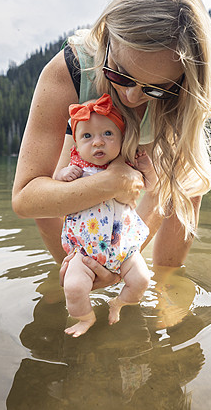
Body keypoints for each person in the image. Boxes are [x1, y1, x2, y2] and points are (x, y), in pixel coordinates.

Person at [11, 0, 211, 296]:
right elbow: (28, 198)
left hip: (152, 155)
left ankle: (167, 288)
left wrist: (120, 257)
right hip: (91, 127)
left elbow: (158, 192)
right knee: (59, 189)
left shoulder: (182, 93)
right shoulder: (69, 68)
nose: (132, 97)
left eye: (154, 88)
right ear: (107, 37)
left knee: (187, 188)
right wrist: (108, 184)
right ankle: (76, 278)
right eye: (120, 75)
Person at [56, 94, 154, 336]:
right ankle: (85, 318)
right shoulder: (76, 170)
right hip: (85, 251)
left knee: (142, 280)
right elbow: (57, 192)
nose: (97, 142)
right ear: (76, 145)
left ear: (122, 138)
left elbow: (151, 186)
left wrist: (147, 168)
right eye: (87, 136)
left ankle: (118, 303)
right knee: (74, 285)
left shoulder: (128, 166)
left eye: (107, 134)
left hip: (124, 250)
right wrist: (62, 175)